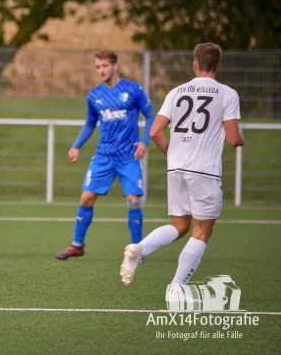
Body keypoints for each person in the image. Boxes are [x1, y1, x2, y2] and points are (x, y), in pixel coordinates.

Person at [120, 42, 245, 286]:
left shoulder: (176, 92)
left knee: (179, 224)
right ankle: (176, 287)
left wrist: (172, 153)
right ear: (218, 66)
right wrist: (241, 139)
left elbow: (155, 131)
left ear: (195, 65)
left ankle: (139, 248)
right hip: (204, 171)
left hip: (176, 167)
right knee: (202, 231)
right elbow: (233, 139)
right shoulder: (227, 94)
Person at [55, 50, 155, 261]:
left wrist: (144, 142)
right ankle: (76, 245)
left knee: (133, 201)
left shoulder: (133, 89)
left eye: (104, 66)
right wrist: (76, 146)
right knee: (87, 197)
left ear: (115, 66)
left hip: (129, 156)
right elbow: (90, 123)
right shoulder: (94, 95)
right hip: (104, 156)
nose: (101, 70)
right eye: (98, 67)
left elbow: (150, 115)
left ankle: (137, 251)